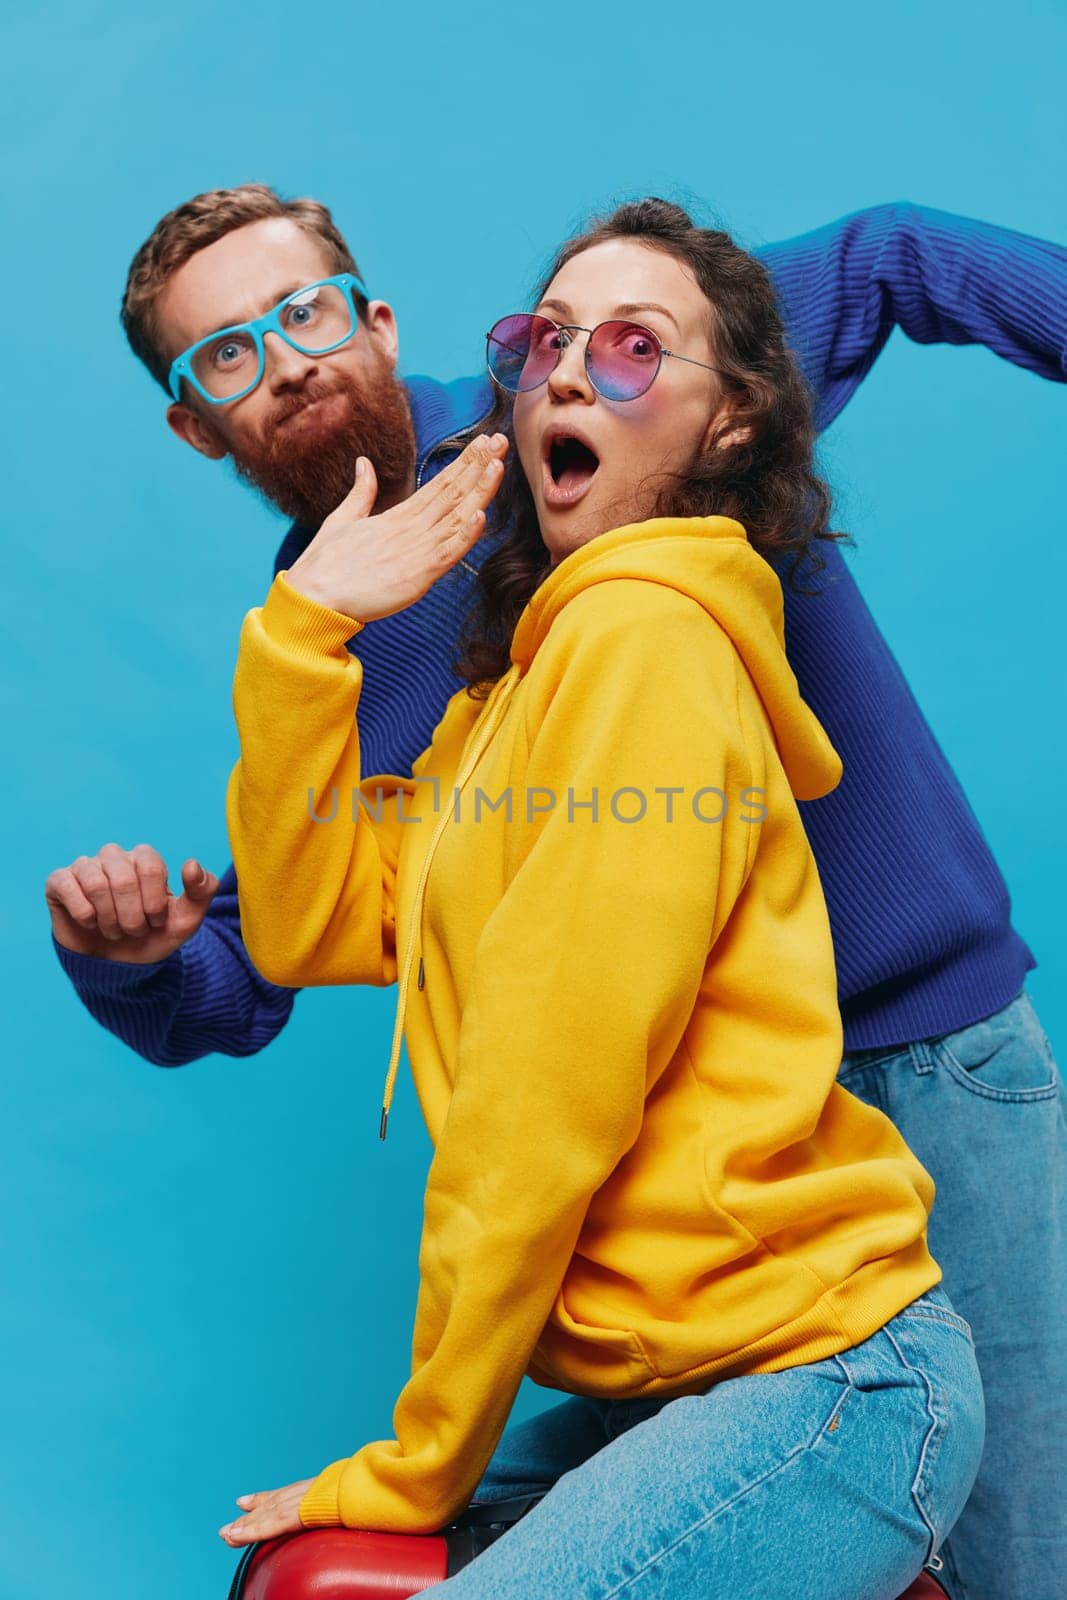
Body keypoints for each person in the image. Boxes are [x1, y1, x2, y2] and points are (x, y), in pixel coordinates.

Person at [44, 184, 1067, 1600]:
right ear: (194, 420)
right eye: (225, 356)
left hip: (924, 1051)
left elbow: (897, 253)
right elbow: (304, 930)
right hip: (707, 1209)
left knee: (1026, 1560)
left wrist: (425, 1453)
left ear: (377, 320)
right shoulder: (384, 618)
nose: (283, 362)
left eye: (304, 313)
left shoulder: (618, 441)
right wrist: (134, 947)